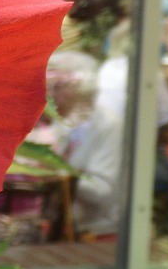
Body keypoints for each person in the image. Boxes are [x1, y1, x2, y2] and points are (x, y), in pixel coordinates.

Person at [48, 51, 123, 238]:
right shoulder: (57, 121)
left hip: (93, 230)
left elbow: (102, 192)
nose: (49, 94)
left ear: (81, 87)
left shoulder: (108, 125)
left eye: (58, 87)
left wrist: (55, 172)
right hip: (56, 224)